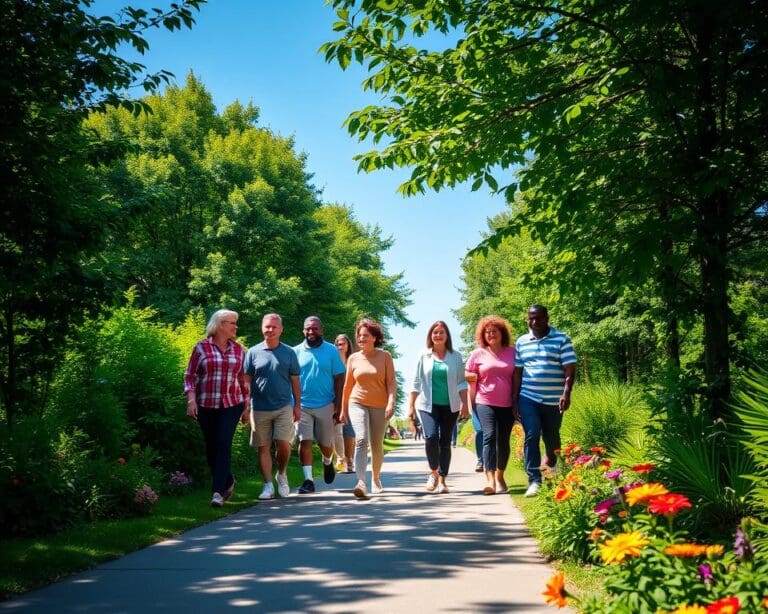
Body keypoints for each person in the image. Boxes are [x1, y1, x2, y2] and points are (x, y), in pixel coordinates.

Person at [183, 309, 249, 507]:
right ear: (220, 325)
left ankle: (217, 493)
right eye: (232, 323)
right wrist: (191, 400)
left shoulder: (239, 350)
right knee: (211, 447)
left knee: (223, 443)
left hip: (232, 403)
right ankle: (228, 480)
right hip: (206, 403)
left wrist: (247, 407)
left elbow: (242, 380)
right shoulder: (201, 347)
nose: (235, 327)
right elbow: (190, 376)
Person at [512, 305, 576, 497]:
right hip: (528, 397)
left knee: (551, 437)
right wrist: (515, 399)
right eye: (531, 319)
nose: (535, 322)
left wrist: (566, 393)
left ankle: (551, 466)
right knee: (531, 435)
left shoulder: (561, 339)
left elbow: (570, 369)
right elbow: (517, 372)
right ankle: (534, 480)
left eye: (539, 318)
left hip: (554, 401)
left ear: (547, 318)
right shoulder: (522, 342)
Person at [244, 313, 301, 500]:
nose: (270, 330)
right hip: (259, 407)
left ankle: (282, 473)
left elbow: (295, 381)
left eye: (274, 327)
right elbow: (246, 382)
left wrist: (297, 405)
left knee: (284, 444)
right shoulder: (252, 352)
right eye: (267, 326)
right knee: (263, 447)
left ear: (281, 329)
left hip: (284, 406)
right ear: (262, 328)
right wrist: (245, 406)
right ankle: (268, 485)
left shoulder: (289, 352)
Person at [408, 321, 469, 494]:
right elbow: (416, 382)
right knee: (431, 437)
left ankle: (443, 480)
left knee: (445, 442)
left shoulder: (455, 356)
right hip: (427, 405)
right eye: (435, 332)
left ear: (447, 335)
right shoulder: (424, 355)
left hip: (451, 406)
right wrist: (411, 407)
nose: (438, 335)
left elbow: (461, 382)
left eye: (441, 332)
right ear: (430, 336)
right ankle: (433, 472)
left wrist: (465, 403)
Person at [340, 318, 396, 498]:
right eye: (359, 336)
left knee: (377, 444)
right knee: (362, 439)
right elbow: (348, 386)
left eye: (365, 336)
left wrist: (391, 403)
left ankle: (376, 478)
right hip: (357, 402)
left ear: (374, 337)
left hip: (380, 405)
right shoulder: (353, 358)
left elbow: (391, 384)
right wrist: (343, 410)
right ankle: (361, 482)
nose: (361, 339)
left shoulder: (385, 356)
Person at [293, 316, 346, 494]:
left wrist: (338, 405)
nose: (311, 332)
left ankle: (327, 460)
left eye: (315, 329)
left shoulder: (331, 351)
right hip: (303, 404)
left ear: (321, 330)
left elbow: (339, 378)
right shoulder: (295, 352)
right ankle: (308, 480)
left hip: (326, 404)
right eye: (308, 329)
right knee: (304, 440)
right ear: (303, 331)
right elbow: (290, 379)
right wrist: (294, 404)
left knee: (325, 443)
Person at [465, 315, 516, 495]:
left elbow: (519, 374)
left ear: (502, 333)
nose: (491, 334)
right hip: (484, 401)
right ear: (483, 335)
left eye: (494, 331)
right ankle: (490, 480)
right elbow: (466, 372)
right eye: (487, 332)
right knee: (490, 436)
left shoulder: (512, 352)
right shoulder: (477, 353)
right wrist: (471, 376)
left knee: (503, 440)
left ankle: (500, 476)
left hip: (507, 403)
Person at [333, 333, 356, 473]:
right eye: (337, 344)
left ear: (348, 345)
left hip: (352, 400)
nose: (340, 346)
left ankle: (350, 460)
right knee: (337, 432)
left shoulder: (352, 360)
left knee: (350, 432)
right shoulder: (332, 360)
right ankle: (340, 459)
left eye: (342, 344)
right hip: (335, 400)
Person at [465, 372, 485, 472]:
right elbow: (465, 376)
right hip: (475, 403)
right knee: (480, 430)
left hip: (493, 401)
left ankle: (492, 461)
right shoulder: (474, 360)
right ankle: (481, 460)